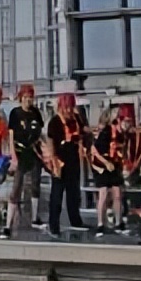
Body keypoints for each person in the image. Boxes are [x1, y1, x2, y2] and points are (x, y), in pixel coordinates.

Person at [45, 93, 89, 238]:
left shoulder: (77, 119)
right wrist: (54, 163)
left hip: (73, 160)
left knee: (74, 193)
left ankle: (75, 220)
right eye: (66, 107)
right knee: (57, 195)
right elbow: (50, 143)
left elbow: (83, 132)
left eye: (71, 107)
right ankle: (54, 226)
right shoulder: (54, 122)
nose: (69, 110)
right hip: (59, 161)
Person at [5, 84, 45, 238]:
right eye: (26, 97)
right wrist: (13, 156)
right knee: (16, 188)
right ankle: (8, 225)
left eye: (31, 97)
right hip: (20, 152)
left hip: (33, 151)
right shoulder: (15, 114)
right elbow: (11, 136)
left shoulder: (36, 113)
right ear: (21, 98)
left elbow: (40, 132)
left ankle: (35, 218)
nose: (29, 100)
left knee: (35, 184)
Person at [91, 103, 133, 235]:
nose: (127, 124)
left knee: (117, 193)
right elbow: (94, 149)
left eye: (129, 122)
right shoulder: (108, 131)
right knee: (103, 193)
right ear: (120, 120)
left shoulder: (124, 135)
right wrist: (105, 163)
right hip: (101, 166)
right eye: (126, 121)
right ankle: (100, 224)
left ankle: (119, 223)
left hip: (115, 165)